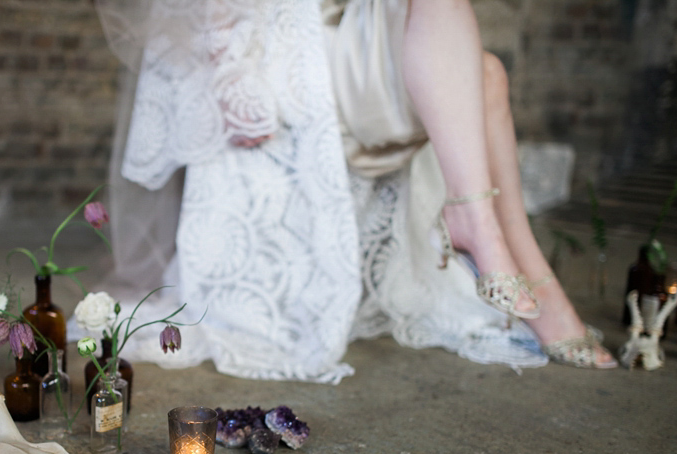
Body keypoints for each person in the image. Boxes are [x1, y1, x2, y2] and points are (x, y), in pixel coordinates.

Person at [92, 0, 616, 383]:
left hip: (364, 28)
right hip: (293, 47)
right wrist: (229, 73)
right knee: (484, 76)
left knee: (488, 74)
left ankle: (496, 244)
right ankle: (503, 254)